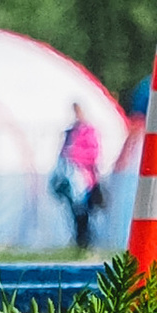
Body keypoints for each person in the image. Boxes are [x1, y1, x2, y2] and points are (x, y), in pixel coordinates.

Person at [53, 107, 106, 251]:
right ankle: (81, 239)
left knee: (85, 210)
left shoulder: (87, 132)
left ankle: (86, 239)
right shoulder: (71, 132)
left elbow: (92, 153)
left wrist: (75, 156)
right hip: (72, 176)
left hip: (85, 177)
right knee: (76, 209)